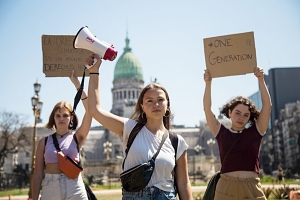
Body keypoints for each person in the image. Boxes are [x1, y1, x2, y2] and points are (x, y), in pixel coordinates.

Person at [87, 54, 193, 200]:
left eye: (160, 100)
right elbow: (94, 110)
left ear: (167, 104)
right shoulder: (130, 128)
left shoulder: (177, 141)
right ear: (142, 106)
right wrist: (94, 71)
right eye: (150, 100)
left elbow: (183, 182)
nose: (155, 104)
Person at [203, 66, 272, 200]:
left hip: (251, 187)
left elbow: (267, 106)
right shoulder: (221, 132)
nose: (241, 118)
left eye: (246, 115)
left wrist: (261, 80)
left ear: (249, 118)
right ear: (229, 112)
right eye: (237, 113)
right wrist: (208, 83)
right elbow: (207, 108)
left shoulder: (256, 131)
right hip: (226, 187)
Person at [32, 71, 92, 200]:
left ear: (71, 118)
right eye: (57, 115)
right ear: (53, 118)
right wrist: (34, 198)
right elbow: (37, 175)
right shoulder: (44, 141)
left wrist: (77, 83)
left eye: (65, 115)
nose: (61, 119)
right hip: (50, 187)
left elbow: (90, 110)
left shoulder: (77, 137)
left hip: (74, 186)